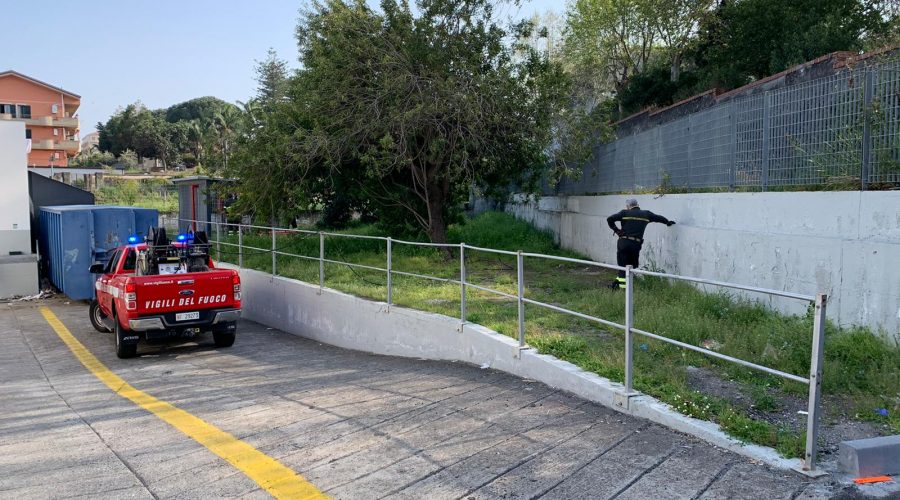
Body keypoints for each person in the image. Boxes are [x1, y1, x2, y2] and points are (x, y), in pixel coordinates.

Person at [606, 199, 675, 289]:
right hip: (636, 245)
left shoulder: (624, 213)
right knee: (631, 266)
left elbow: (610, 219)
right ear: (638, 204)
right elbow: (659, 218)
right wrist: (667, 222)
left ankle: (623, 290)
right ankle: (618, 284)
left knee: (623, 266)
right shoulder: (646, 214)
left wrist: (617, 230)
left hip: (624, 243)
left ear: (628, 206)